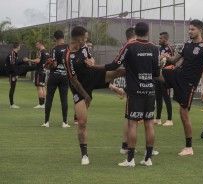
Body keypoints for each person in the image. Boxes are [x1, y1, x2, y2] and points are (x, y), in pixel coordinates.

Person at [88, 22, 160, 167]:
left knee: (132, 124)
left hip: (135, 91)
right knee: (149, 124)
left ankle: (130, 160)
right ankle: (148, 159)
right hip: (150, 91)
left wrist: (94, 67)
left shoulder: (129, 46)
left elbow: (114, 65)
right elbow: (157, 73)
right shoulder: (154, 48)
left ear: (135, 32)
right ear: (147, 32)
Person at [63, 26, 125, 165]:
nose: (86, 39)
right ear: (79, 38)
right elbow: (73, 80)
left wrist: (92, 61)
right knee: (82, 122)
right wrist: (86, 96)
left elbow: (90, 59)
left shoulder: (84, 47)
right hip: (80, 88)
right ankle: (84, 155)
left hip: (93, 76)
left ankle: (150, 75)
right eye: (85, 37)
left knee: (120, 71)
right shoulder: (68, 57)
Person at [162, 19, 203, 156]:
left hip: (188, 84)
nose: (190, 31)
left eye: (193, 29)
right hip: (178, 74)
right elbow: (174, 60)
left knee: (184, 114)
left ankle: (189, 148)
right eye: (189, 29)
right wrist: (167, 57)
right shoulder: (187, 44)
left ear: (200, 30)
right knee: (156, 74)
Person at [41, 30, 70, 128]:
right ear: (63, 37)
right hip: (65, 75)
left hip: (54, 76)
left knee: (49, 98)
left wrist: (48, 65)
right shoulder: (69, 48)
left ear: (55, 38)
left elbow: (54, 64)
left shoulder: (54, 49)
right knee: (64, 99)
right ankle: (65, 122)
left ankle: (46, 122)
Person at [154, 32, 174, 126]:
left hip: (166, 77)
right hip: (158, 75)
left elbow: (172, 62)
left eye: (161, 38)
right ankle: (158, 119)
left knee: (166, 98)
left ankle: (170, 120)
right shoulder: (160, 48)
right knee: (158, 98)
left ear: (165, 38)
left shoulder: (169, 48)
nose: (159, 40)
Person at [23, 40, 50, 108]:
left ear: (40, 44)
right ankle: (44, 104)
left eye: (37, 44)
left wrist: (28, 60)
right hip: (45, 71)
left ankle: (40, 104)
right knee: (43, 87)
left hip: (40, 71)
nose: (36, 46)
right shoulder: (47, 52)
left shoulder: (40, 52)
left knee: (39, 87)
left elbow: (37, 61)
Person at [5, 42, 25, 108]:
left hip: (12, 74)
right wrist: (16, 74)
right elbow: (12, 65)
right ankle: (12, 104)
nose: (20, 48)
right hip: (12, 74)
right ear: (17, 47)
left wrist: (23, 61)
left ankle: (12, 104)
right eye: (19, 46)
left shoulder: (15, 54)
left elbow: (16, 63)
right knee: (12, 88)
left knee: (13, 88)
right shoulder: (12, 54)